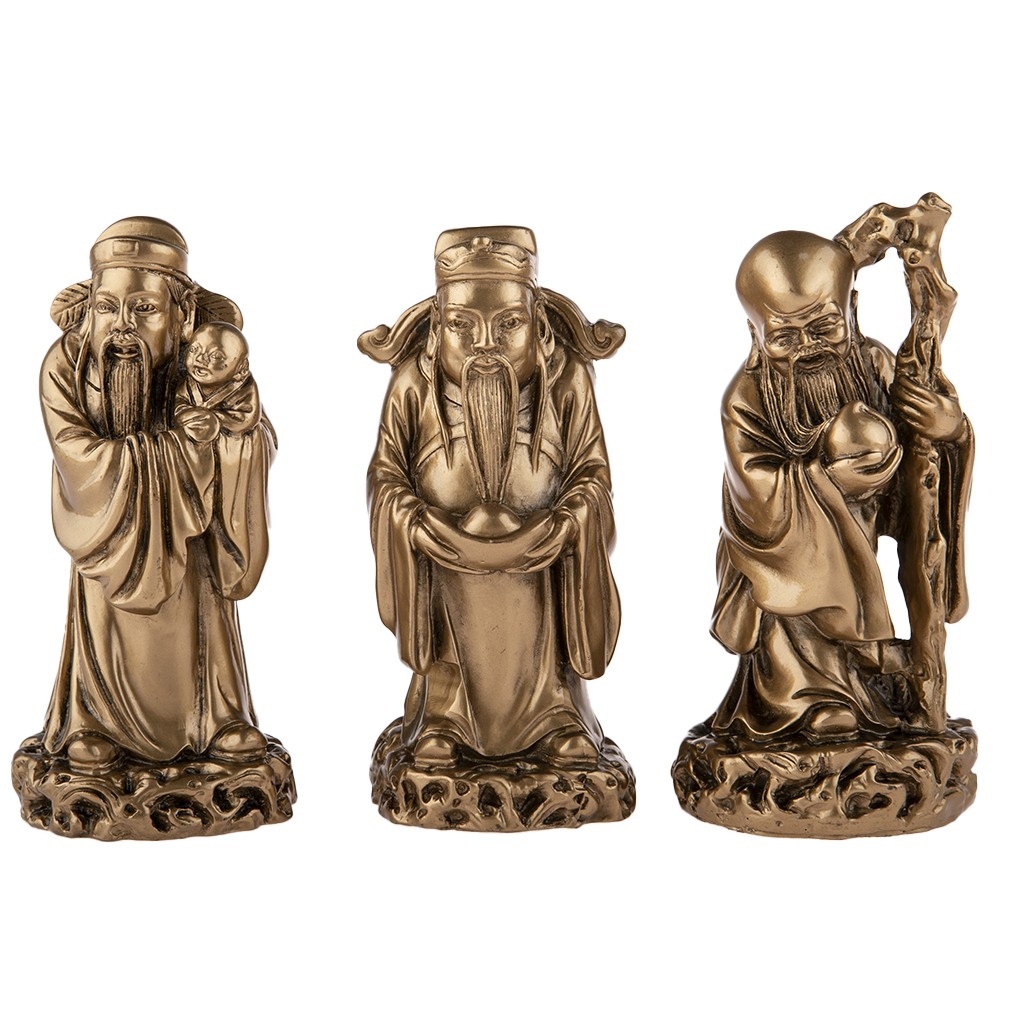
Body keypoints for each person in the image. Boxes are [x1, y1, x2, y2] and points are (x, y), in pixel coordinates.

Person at [365, 227, 621, 769]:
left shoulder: (568, 380)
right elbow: (385, 476)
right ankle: (443, 714)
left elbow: (593, 474)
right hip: (444, 558)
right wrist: (416, 525)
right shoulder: (413, 384)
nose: (485, 345)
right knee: (462, 563)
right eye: (461, 325)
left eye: (508, 325)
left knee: (538, 593)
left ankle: (556, 713)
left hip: (542, 558)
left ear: (538, 325)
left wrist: (565, 524)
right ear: (436, 327)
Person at [710, 230, 972, 739]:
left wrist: (952, 431)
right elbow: (755, 491)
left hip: (860, 538)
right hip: (782, 548)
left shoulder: (873, 365)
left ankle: (873, 675)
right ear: (755, 334)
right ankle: (805, 699)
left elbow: (921, 458)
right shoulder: (745, 397)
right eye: (784, 337)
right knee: (791, 592)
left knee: (853, 574)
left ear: (851, 308)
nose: (807, 348)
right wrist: (824, 482)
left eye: (823, 327)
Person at [39, 217, 276, 771]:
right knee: (103, 593)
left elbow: (253, 433)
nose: (122, 327)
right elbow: (77, 458)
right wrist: (177, 452)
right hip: (109, 534)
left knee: (200, 599)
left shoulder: (205, 362)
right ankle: (92, 720)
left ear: (181, 314)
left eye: (144, 308)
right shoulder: (66, 367)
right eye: (107, 308)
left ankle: (216, 716)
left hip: (191, 554)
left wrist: (227, 441)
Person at [176, 320, 262, 440]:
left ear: (241, 368)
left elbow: (246, 418)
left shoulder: (244, 388)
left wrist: (214, 419)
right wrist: (186, 414)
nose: (200, 358)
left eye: (216, 356)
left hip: (230, 442)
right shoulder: (190, 382)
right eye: (194, 350)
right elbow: (179, 402)